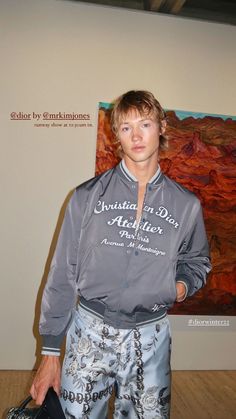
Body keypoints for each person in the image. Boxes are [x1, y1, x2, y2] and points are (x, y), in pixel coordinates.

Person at [30, 90, 211, 418]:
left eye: (145, 124)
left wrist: (180, 286)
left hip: (151, 338)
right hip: (89, 331)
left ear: (162, 127)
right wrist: (50, 351)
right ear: (117, 136)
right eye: (126, 128)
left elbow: (197, 261)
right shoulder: (85, 197)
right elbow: (62, 273)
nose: (137, 136)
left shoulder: (186, 205)